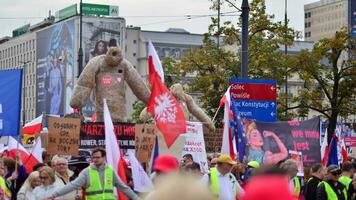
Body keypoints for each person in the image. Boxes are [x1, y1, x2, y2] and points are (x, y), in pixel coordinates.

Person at [49, 147, 139, 200]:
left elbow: (123, 188)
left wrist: (137, 198)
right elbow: (72, 185)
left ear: (104, 158)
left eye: (97, 157)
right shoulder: (87, 172)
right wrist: (54, 195)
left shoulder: (110, 171)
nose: (94, 159)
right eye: (93, 157)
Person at [48, 50, 62, 115]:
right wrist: (51, 90)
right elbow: (50, 87)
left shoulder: (59, 71)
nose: (55, 62)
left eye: (56, 61)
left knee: (56, 113)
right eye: (54, 61)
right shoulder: (51, 72)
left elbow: (61, 86)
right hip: (53, 97)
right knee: (52, 113)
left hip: (58, 97)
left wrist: (60, 96)